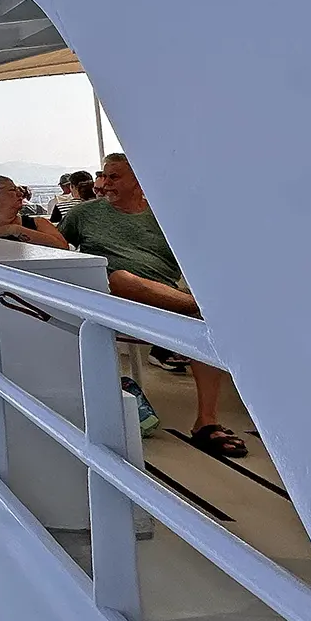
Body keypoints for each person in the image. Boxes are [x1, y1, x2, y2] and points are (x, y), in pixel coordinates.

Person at [60, 153, 245, 457]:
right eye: (103, 176)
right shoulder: (83, 215)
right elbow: (56, 250)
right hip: (111, 299)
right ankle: (203, 309)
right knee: (120, 278)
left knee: (202, 321)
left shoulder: (166, 218)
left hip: (164, 298)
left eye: (113, 177)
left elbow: (208, 257)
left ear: (139, 180)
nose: (103, 184)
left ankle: (206, 422)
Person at [0, 175, 70, 249]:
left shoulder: (38, 223)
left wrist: (15, 230)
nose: (20, 194)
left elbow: (63, 247)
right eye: (12, 190)